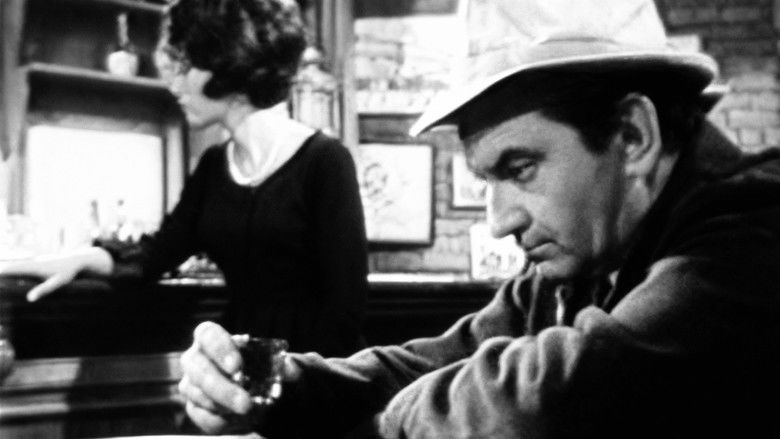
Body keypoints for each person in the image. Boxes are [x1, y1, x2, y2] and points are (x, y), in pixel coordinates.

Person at [177, 0, 780, 437]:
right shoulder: (587, 251)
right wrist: (279, 383)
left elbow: (549, 402)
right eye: (487, 179)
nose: (499, 222)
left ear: (632, 135)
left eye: (520, 168)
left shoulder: (755, 234)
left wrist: (390, 422)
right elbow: (444, 357)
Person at [0, 0, 369, 358]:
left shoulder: (325, 160)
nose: (174, 84)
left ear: (228, 63)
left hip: (314, 374)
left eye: (186, 66)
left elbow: (345, 312)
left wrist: (299, 380)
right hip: (239, 367)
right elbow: (155, 255)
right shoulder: (214, 165)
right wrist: (81, 258)